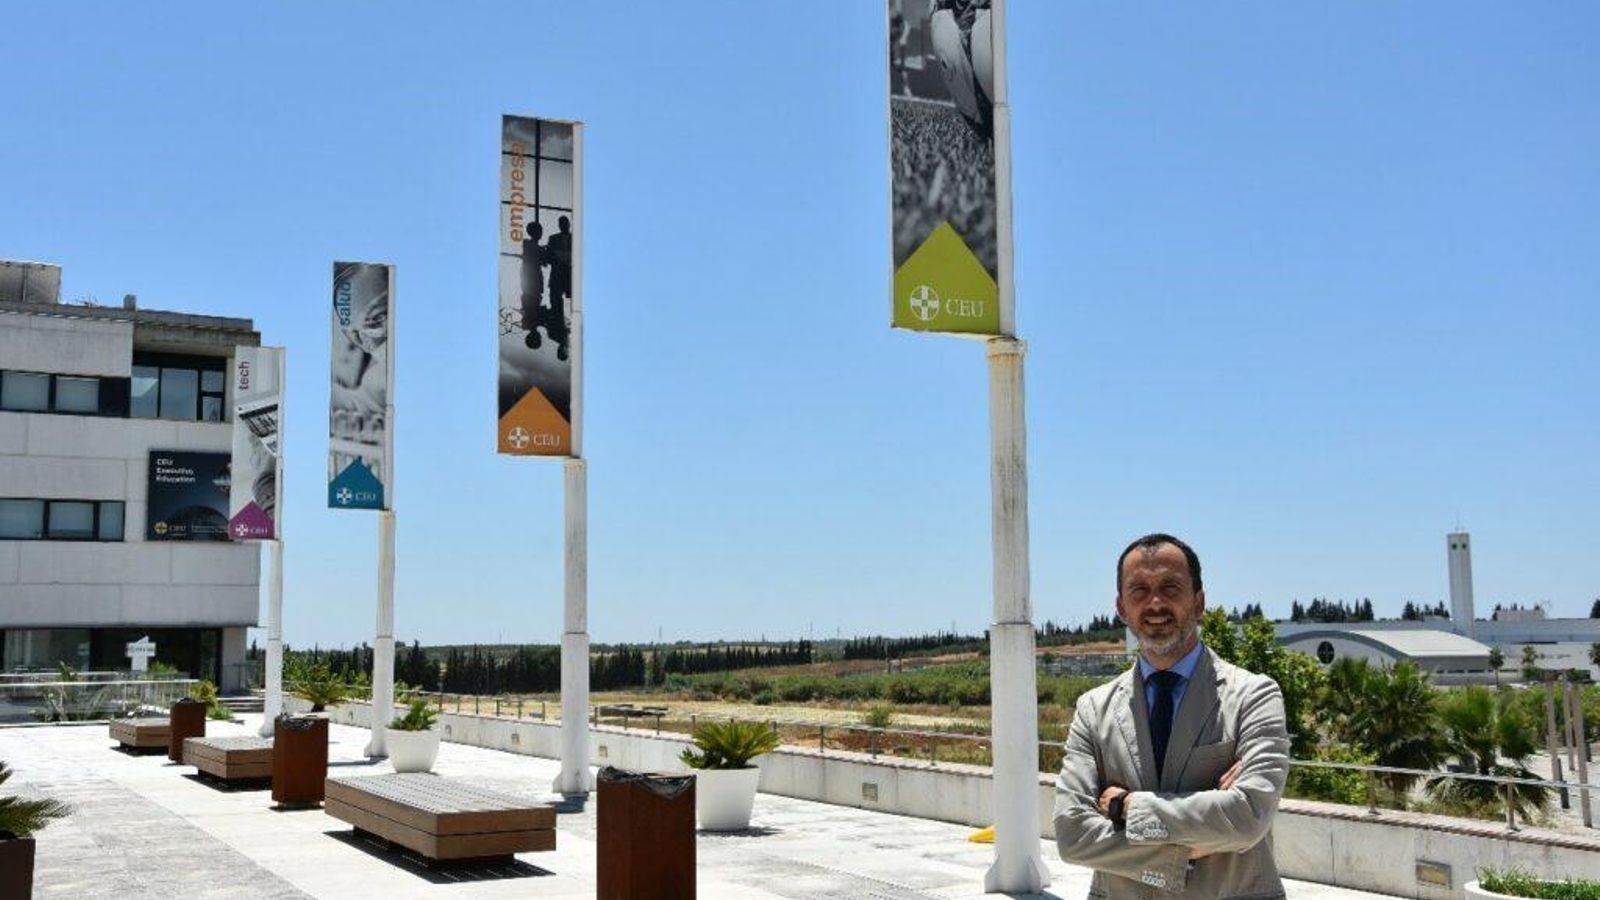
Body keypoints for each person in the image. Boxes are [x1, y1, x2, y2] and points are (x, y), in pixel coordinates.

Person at [1053, 534, 1290, 897]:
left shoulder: (1253, 696)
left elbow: (1248, 817)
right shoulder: (1092, 710)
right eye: (1139, 591)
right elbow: (1073, 836)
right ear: (1121, 608)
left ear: (1199, 603)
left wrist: (1126, 806)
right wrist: (1198, 839)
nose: (1156, 603)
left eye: (1170, 587)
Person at [543, 215, 573, 361]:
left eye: (564, 223)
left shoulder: (552, 334)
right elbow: (548, 257)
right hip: (560, 275)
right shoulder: (553, 238)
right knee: (556, 299)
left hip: (566, 275)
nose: (563, 226)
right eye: (561, 223)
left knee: (559, 302)